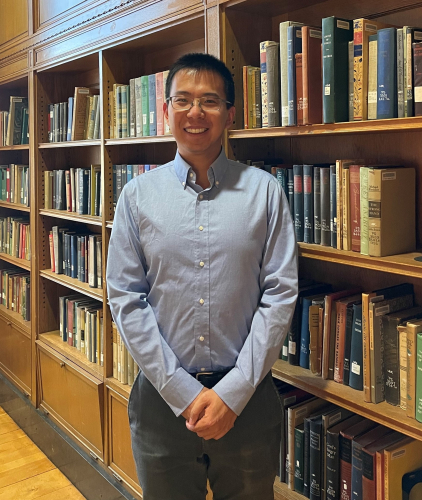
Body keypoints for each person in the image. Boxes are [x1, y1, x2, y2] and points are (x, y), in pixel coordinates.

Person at [106, 52, 298, 500]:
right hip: (161, 403)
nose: (196, 112)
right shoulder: (136, 198)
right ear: (167, 111)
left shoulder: (265, 192)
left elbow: (281, 295)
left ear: (230, 114)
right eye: (184, 100)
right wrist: (183, 392)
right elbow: (125, 299)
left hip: (247, 401)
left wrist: (232, 393)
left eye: (210, 100)